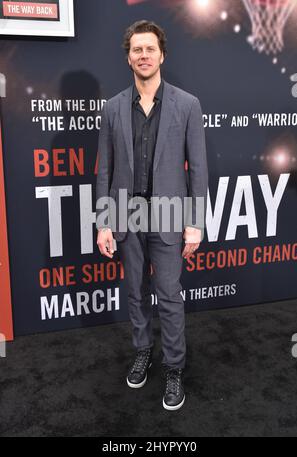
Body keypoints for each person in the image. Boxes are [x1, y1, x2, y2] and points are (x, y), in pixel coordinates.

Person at [96, 20, 208, 411]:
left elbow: (198, 170)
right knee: (135, 293)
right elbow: (105, 171)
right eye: (137, 50)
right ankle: (142, 350)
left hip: (170, 215)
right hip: (128, 216)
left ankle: (173, 367)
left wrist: (194, 224)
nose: (144, 56)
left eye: (150, 49)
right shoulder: (112, 108)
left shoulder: (188, 104)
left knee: (169, 297)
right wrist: (104, 222)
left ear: (162, 54)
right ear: (128, 58)